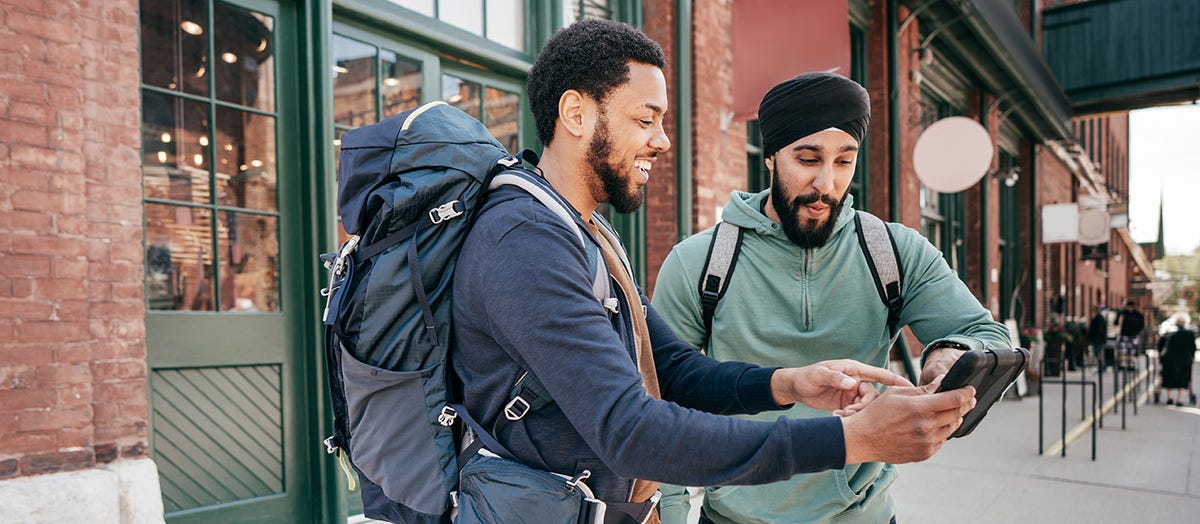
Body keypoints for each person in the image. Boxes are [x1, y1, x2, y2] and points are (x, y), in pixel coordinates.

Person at [451, 21, 976, 523]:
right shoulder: (524, 243)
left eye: (661, 122)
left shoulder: (585, 232)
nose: (662, 140)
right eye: (644, 119)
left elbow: (675, 371)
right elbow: (631, 431)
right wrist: (852, 440)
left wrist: (791, 383)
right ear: (575, 113)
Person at [651, 72, 1012, 524]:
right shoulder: (700, 262)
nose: (826, 183)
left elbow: (986, 333)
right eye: (808, 158)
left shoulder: (893, 252)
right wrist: (668, 512)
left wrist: (950, 354)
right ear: (771, 157)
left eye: (844, 161)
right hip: (735, 517)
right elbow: (660, 396)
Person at [1160, 318, 1196, 406]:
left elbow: (1161, 346)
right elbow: (1193, 348)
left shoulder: (1169, 334)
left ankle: (1170, 398)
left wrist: (1161, 359)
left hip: (1170, 359)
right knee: (1184, 379)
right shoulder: (1189, 335)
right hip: (1185, 359)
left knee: (1170, 378)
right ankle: (1180, 400)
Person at [1114, 300, 1146, 369]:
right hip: (1124, 334)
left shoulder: (1138, 315)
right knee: (1123, 350)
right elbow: (1116, 322)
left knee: (1132, 350)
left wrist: (1137, 331)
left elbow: (1142, 325)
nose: (1128, 308)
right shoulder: (1123, 314)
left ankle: (1130, 365)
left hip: (1133, 335)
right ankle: (1122, 364)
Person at [1088, 306, 1109, 371]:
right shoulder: (1097, 318)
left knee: (1098, 353)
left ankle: (1103, 366)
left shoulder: (1099, 319)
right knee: (1098, 353)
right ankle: (1102, 365)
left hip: (1098, 340)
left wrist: (1096, 338)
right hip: (1097, 339)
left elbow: (1099, 330)